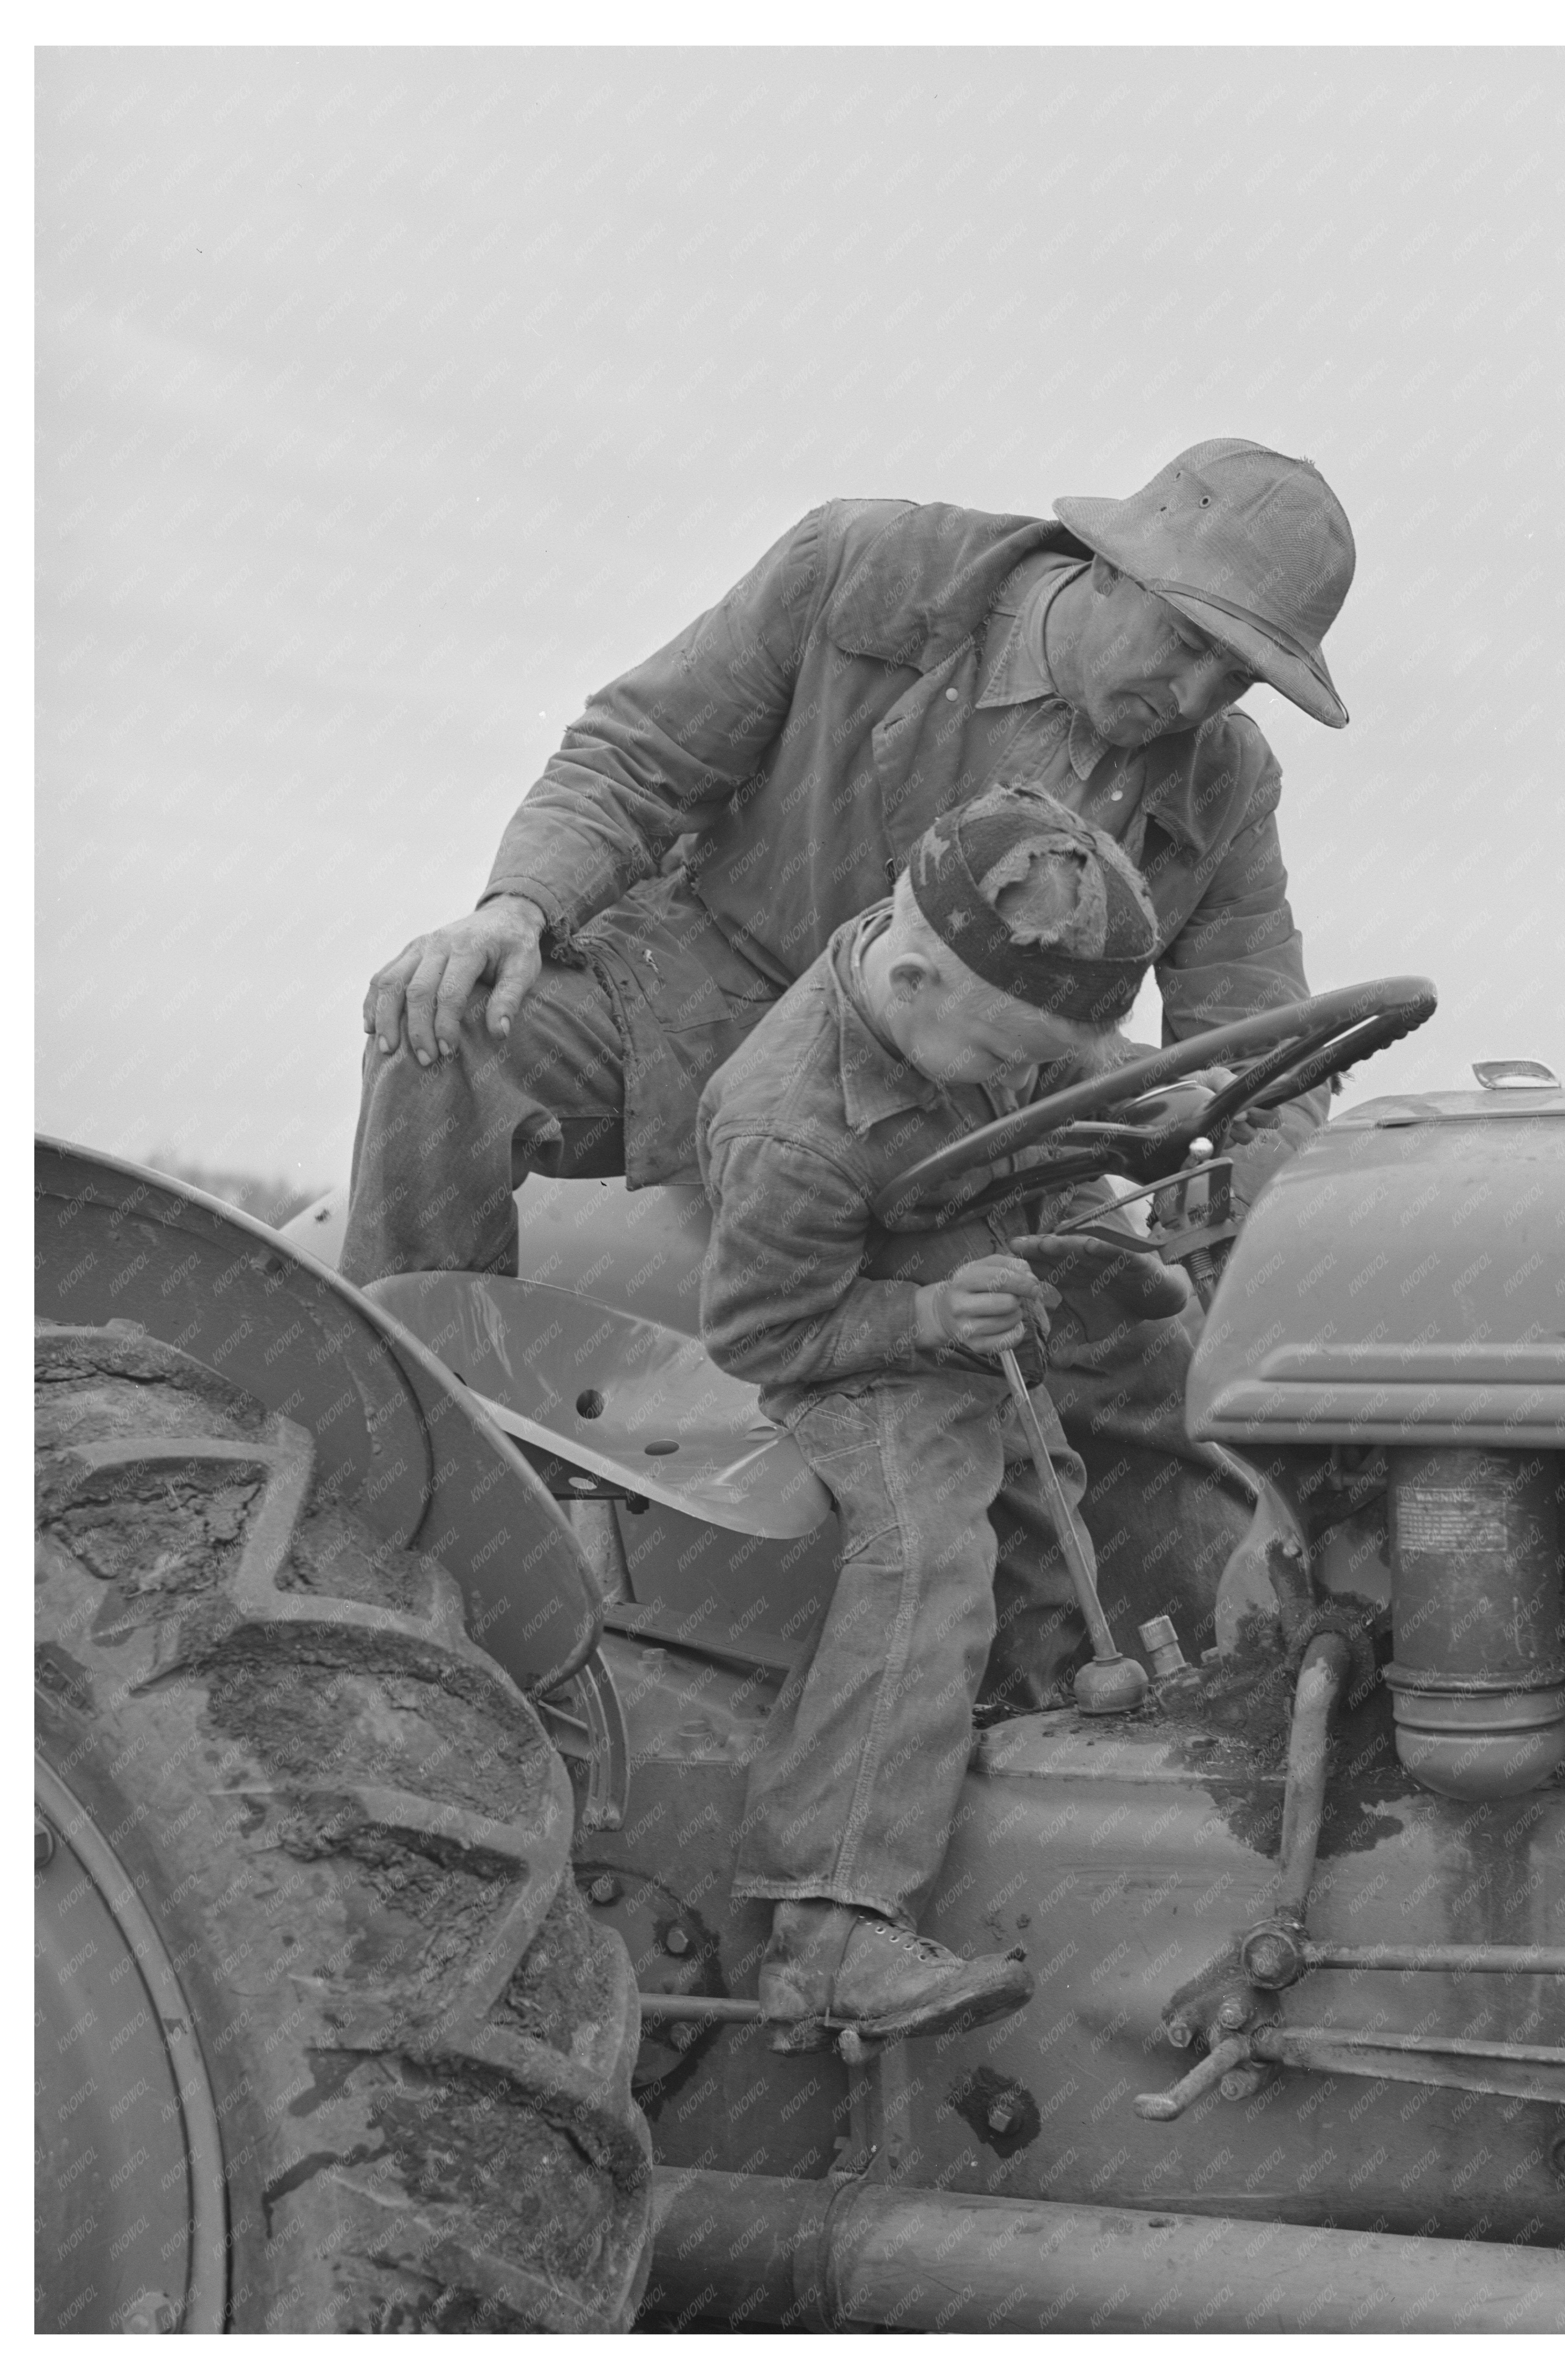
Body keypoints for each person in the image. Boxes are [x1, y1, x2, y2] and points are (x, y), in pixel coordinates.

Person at [340, 436, 1357, 1648]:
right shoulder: (863, 577)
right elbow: (634, 756)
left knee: (1141, 1356)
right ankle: (390, 1488)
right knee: (444, 1029)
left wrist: (1267, 1172)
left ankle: (1203, 1705)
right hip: (702, 1008)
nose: (1193, 698)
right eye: (1187, 642)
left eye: (1235, 677)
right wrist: (517, 907)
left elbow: (1244, 1022)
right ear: (1109, 562)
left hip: (981, 1113)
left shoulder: (1223, 781)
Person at [696, 787, 1184, 2046]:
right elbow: (763, 1334)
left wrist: (1142, 1105)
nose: (1025, 1079)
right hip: (855, 1354)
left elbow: (1050, 1062)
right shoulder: (788, 1131)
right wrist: (920, 1321)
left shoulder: (965, 990)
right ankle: (830, 1926)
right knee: (924, 1553)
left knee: (1053, 1488)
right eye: (1008, 1062)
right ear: (907, 982)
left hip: (973, 1286)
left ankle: (1042, 1729)